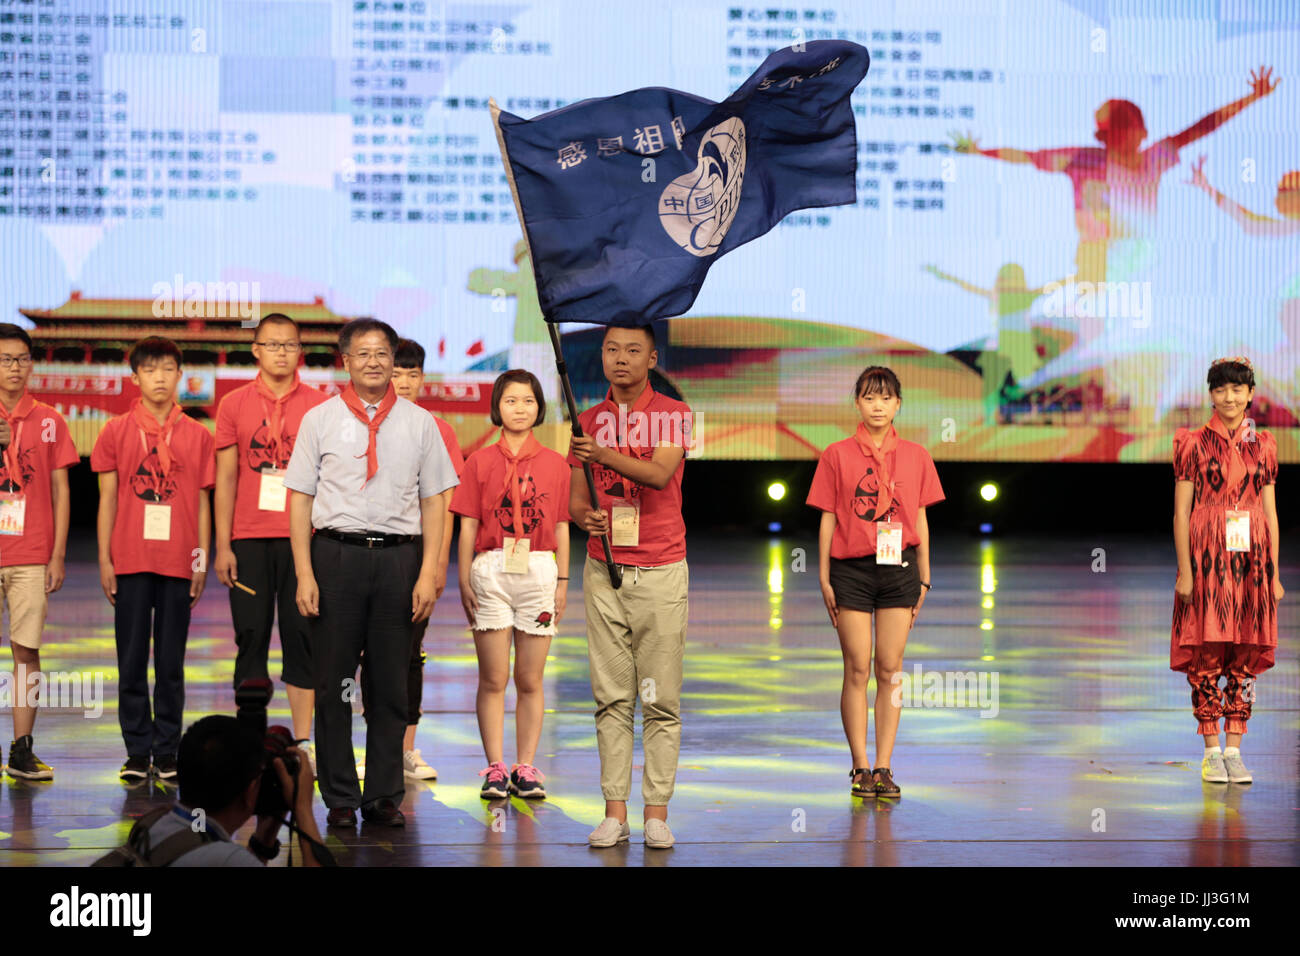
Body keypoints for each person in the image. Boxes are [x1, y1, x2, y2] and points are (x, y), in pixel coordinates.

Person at [284, 319, 458, 828]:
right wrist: (304, 573)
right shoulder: (319, 420)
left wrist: (428, 573)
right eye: (362, 354)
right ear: (346, 361)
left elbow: (434, 502)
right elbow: (299, 499)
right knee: (334, 681)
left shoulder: (420, 423)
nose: (374, 362)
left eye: (382, 352)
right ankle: (339, 796)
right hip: (335, 558)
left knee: (389, 683)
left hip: (399, 560)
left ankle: (384, 794)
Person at [568, 323, 691, 849]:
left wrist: (601, 454)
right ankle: (614, 811)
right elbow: (576, 500)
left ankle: (656, 812)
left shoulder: (673, 415)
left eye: (633, 350)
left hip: (660, 569)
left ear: (651, 357)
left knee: (660, 699)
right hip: (603, 569)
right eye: (612, 349)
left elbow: (660, 475)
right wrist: (585, 519)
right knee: (611, 697)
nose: (621, 359)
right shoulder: (588, 421)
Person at [805, 366, 944, 800]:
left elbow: (919, 516)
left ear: (898, 404)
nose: (877, 405)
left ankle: (884, 766)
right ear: (857, 404)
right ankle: (860, 766)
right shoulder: (837, 454)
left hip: (899, 569)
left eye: (885, 398)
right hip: (851, 570)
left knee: (890, 668)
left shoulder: (917, 455)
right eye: (868, 397)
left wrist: (924, 575)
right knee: (857, 668)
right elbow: (828, 516)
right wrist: (824, 576)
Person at [91, 337, 214, 780]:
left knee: (170, 662)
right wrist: (106, 559)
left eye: (168, 369)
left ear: (181, 376)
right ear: (135, 378)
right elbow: (107, 501)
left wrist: (200, 560)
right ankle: (137, 752)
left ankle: (166, 751)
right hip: (130, 560)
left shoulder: (199, 436)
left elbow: (202, 504)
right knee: (130, 660)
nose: (160, 378)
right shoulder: (115, 432)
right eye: (150, 370)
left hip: (179, 561)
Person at [212, 314, 326, 769]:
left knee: (302, 638)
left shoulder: (320, 407)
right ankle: (250, 741)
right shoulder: (232, 404)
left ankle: (302, 743)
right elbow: (224, 478)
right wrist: (223, 544)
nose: (281, 352)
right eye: (272, 344)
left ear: (301, 351)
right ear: (255, 350)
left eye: (290, 345)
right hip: (250, 541)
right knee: (252, 637)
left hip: (306, 543)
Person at [451, 369, 570, 800]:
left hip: (538, 569)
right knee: (493, 678)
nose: (520, 408)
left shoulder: (556, 464)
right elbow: (466, 527)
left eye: (528, 401)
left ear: (539, 408)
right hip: (491, 570)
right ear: (496, 407)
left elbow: (560, 526)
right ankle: (495, 769)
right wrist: (464, 578)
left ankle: (527, 767)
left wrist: (562, 582)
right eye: (510, 400)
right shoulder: (478, 462)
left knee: (530, 679)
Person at [357, 338, 463, 782]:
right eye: (396, 373)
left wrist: (437, 564)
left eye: (411, 374)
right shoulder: (360, 425)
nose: (402, 382)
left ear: (422, 379)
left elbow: (446, 502)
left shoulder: (438, 430)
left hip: (416, 554)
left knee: (409, 653)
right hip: (365, 551)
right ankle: (372, 748)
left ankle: (406, 749)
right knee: (365, 652)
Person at [1172, 357, 1280, 785]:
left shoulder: (1265, 444)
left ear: (1251, 394)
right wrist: (1186, 570)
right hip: (1207, 556)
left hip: (1251, 559)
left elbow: (1270, 513)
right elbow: (1182, 513)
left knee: (1245, 654)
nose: (1230, 397)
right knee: (1206, 653)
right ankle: (1212, 749)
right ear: (1211, 394)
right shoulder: (1191, 442)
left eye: (1238, 389)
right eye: (1221, 390)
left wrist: (1272, 572)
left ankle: (1235, 749)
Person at [0, 323, 79, 780]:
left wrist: (58, 553)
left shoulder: (49, 419)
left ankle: (21, 749)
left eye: (21, 359)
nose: (14, 367)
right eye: (5, 359)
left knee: (25, 652)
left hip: (31, 554)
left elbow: (60, 490)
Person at [99, 715, 326, 866]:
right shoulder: (227, 860)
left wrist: (263, 840)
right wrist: (302, 808)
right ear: (250, 790)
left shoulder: (154, 824)